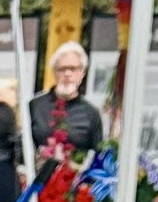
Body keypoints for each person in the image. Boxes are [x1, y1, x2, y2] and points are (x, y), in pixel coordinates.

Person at [30, 37, 105, 172]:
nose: (67, 74)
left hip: (75, 186)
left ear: (82, 73)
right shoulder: (35, 106)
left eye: (73, 69)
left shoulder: (91, 113)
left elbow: (98, 157)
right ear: (54, 72)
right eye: (62, 69)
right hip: (36, 182)